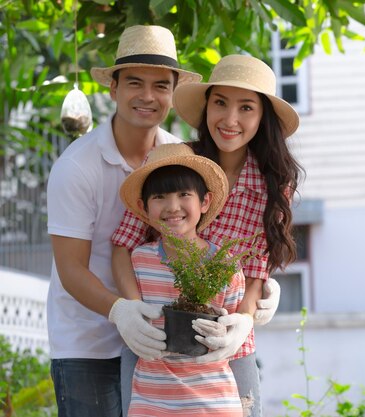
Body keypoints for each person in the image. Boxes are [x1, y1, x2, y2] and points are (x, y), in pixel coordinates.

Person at [111, 54, 302, 417]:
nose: (230, 120)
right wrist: (132, 311)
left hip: (226, 349)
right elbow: (124, 243)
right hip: (154, 348)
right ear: (206, 107)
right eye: (220, 103)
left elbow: (255, 269)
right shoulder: (176, 162)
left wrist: (244, 319)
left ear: (263, 118)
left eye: (246, 107)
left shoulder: (273, 184)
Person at [46, 25, 203, 417]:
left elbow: (200, 235)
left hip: (163, 340)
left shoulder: (178, 155)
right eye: (135, 83)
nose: (147, 97)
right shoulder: (76, 167)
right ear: (113, 89)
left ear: (172, 94)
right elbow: (70, 268)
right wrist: (121, 311)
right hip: (88, 344)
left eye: (160, 86)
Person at [119, 143, 245, 416]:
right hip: (151, 401)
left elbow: (234, 330)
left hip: (213, 401)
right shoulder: (139, 261)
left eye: (184, 194)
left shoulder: (225, 265)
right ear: (144, 207)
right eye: (160, 197)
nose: (172, 207)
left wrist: (223, 334)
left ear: (205, 201)